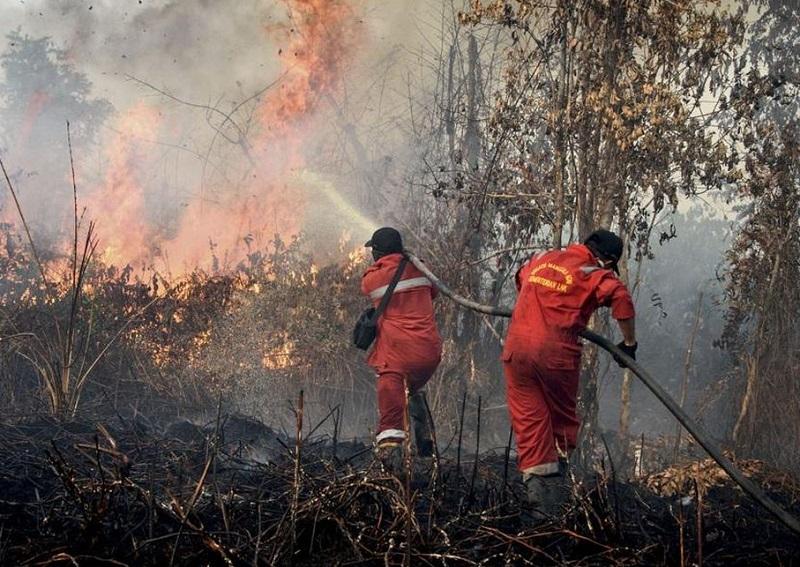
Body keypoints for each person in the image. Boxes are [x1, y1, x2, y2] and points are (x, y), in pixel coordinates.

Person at [502, 228, 638, 515]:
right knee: (560, 422)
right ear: (609, 262)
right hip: (555, 355)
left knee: (530, 422)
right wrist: (628, 345)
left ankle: (538, 501)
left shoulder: (543, 258)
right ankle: (558, 493)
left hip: (516, 351)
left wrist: (539, 303)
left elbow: (520, 278)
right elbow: (622, 299)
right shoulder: (593, 272)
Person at [361, 227, 442, 462]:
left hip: (397, 354)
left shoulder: (375, 278)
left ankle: (390, 458)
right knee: (411, 389)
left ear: (377, 253)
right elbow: (434, 292)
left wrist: (385, 264)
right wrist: (410, 260)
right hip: (429, 353)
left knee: (391, 405)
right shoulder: (422, 269)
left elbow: (365, 286)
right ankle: (425, 440)